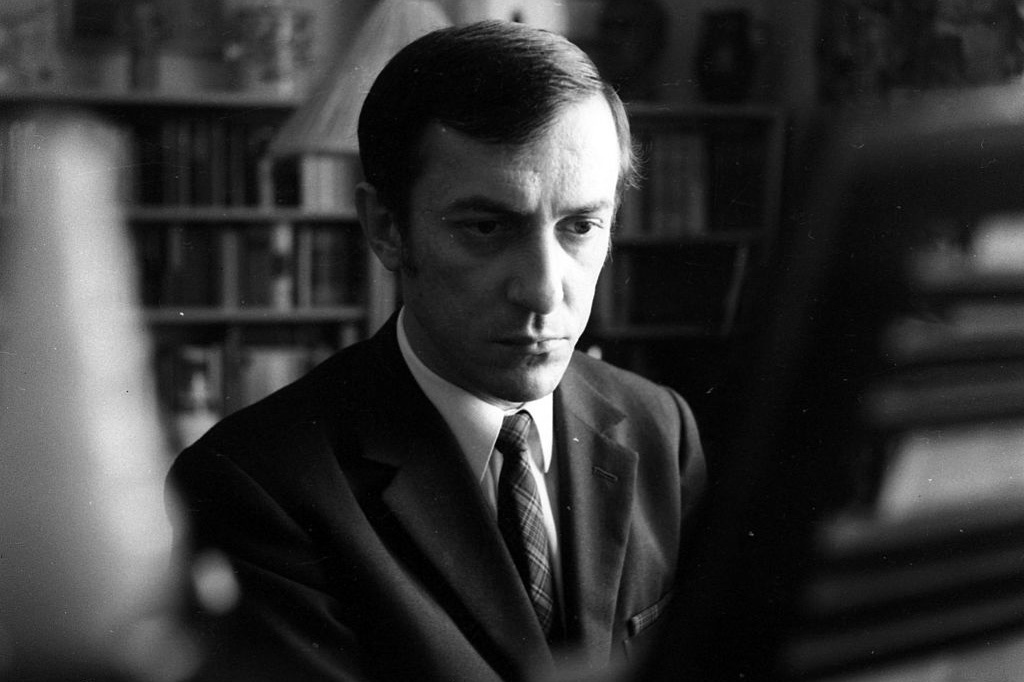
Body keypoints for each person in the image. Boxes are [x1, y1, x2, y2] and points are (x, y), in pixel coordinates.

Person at [168, 20, 706, 682]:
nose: (544, 290)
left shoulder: (661, 427)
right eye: (486, 227)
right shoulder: (252, 488)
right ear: (386, 229)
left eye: (581, 226)